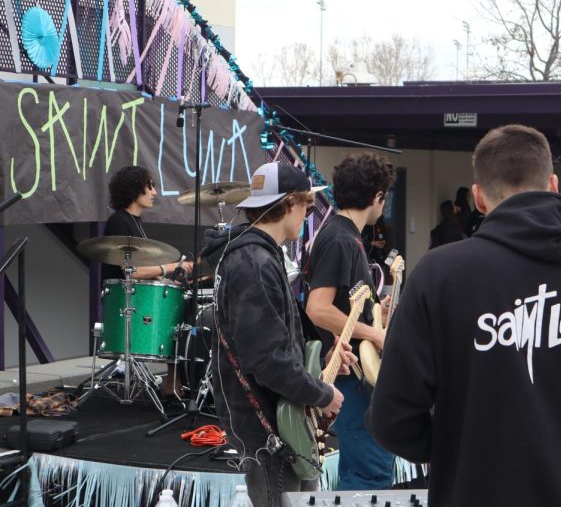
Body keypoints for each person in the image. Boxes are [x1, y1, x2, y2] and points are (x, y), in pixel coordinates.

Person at [367, 124, 561, 507]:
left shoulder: (438, 278)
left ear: (479, 198)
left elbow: (390, 418)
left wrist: (462, 445)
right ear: (553, 185)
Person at [208, 162, 351, 506]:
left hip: (279, 421)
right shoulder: (253, 262)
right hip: (268, 426)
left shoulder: (259, 257)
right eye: (306, 205)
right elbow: (267, 360)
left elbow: (276, 342)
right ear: (288, 203)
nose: (308, 213)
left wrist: (320, 363)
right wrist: (321, 394)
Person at [306, 152, 397, 490]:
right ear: (377, 195)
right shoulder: (340, 239)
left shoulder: (347, 237)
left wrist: (376, 312)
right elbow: (318, 308)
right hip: (351, 376)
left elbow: (343, 307)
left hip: (356, 374)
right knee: (369, 474)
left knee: (365, 470)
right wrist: (375, 332)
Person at [102, 165, 193, 396]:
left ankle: (175, 381)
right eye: (150, 186)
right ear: (135, 189)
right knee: (180, 315)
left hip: (138, 296)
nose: (154, 192)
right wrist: (171, 266)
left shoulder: (135, 222)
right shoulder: (119, 222)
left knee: (186, 306)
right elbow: (130, 272)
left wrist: (166, 274)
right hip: (127, 301)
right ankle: (173, 382)